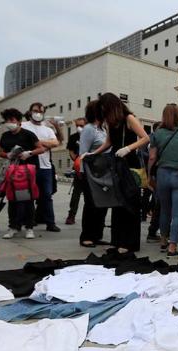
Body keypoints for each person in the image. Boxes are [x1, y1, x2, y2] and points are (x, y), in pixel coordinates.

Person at [85, 92, 150, 254]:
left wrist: (128, 148)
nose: (104, 112)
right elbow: (108, 142)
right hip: (116, 164)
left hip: (129, 165)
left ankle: (129, 243)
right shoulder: (111, 122)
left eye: (105, 108)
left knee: (129, 203)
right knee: (117, 203)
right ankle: (118, 240)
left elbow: (145, 138)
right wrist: (93, 154)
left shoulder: (129, 118)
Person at [148, 103, 178, 257]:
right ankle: (172, 247)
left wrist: (150, 175)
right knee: (177, 214)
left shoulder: (157, 134)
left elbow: (152, 157)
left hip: (162, 174)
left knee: (164, 210)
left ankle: (163, 240)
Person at [0, 108, 45, 240]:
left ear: (19, 121)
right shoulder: (5, 136)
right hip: (12, 171)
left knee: (28, 200)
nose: (9, 123)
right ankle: (13, 227)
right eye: (7, 120)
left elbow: (41, 148)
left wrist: (29, 153)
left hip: (27, 171)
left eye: (12, 120)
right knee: (12, 199)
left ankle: (29, 227)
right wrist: (8, 154)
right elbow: (0, 152)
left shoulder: (28, 134)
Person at [21, 102, 61, 233]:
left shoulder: (47, 129)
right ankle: (28, 222)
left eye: (40, 111)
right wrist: (44, 145)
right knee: (28, 196)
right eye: (35, 110)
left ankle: (50, 223)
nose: (38, 113)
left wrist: (36, 142)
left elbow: (55, 143)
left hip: (46, 168)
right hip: (29, 166)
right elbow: (22, 142)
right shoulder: (23, 126)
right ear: (30, 111)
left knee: (47, 196)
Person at [77, 101, 108, 247]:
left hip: (103, 172)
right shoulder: (89, 129)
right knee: (91, 204)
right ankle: (87, 236)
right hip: (91, 172)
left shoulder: (103, 129)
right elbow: (84, 153)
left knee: (102, 205)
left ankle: (97, 235)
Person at [65, 117, 87, 225]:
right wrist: (77, 161)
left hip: (90, 168)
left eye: (81, 126)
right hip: (79, 168)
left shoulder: (90, 135)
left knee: (90, 194)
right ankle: (71, 215)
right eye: (77, 125)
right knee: (76, 193)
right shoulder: (73, 137)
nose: (79, 128)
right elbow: (71, 152)